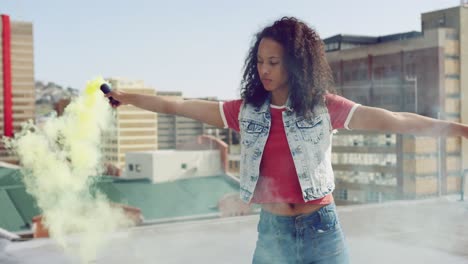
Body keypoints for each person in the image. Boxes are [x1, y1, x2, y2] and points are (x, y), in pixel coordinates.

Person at [106, 17, 468, 264]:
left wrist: (462, 129)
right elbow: (177, 106)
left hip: (322, 229)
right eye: (260, 61)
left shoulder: (325, 108)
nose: (264, 69)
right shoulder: (244, 111)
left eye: (274, 62)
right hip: (273, 233)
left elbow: (397, 120)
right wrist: (129, 98)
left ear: (295, 64)